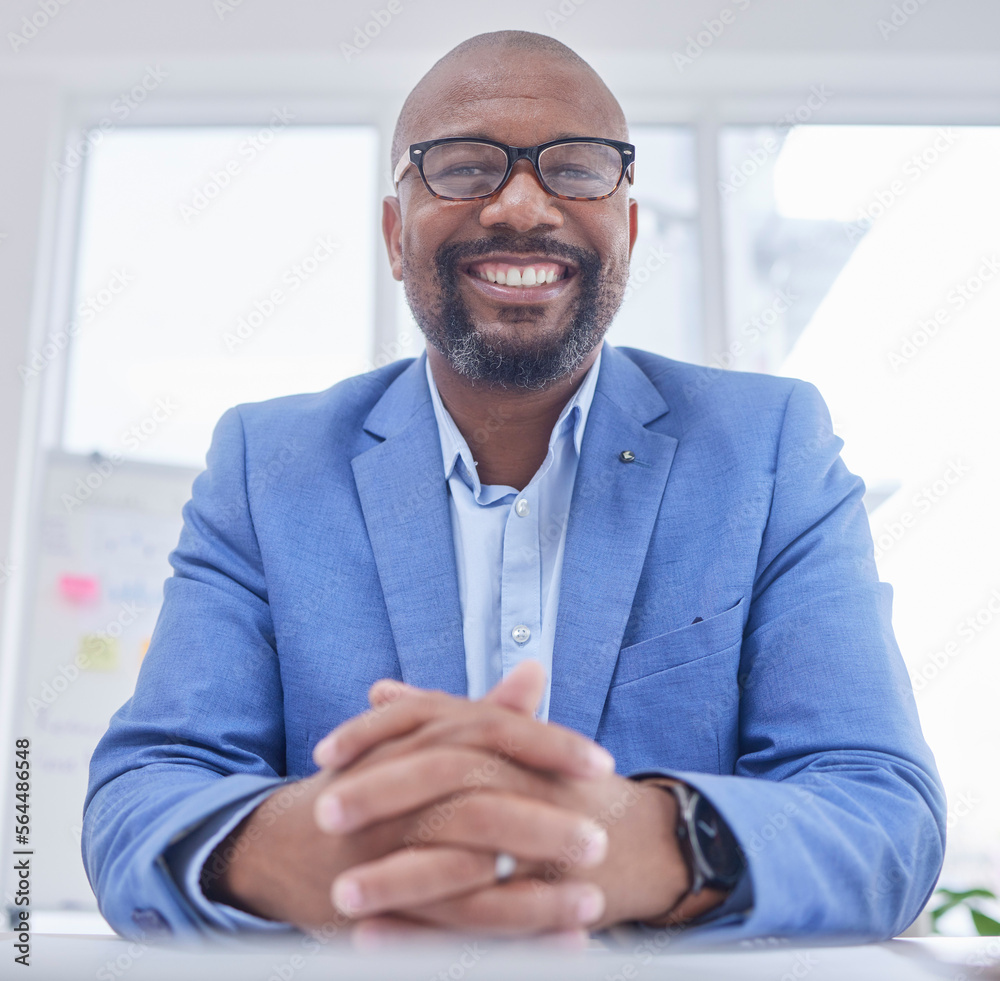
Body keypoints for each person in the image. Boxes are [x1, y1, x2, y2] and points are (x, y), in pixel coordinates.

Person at [83, 30, 945, 944]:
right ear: (392, 232)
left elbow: (882, 811)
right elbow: (142, 791)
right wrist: (303, 847)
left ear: (630, 227)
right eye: (462, 168)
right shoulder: (267, 464)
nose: (521, 205)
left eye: (576, 169)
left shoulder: (769, 450)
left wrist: (647, 843)